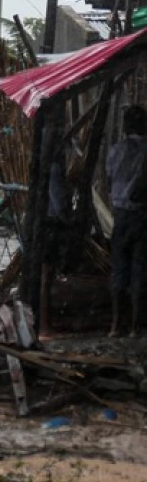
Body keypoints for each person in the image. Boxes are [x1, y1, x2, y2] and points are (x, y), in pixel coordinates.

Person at [106, 106, 147, 337]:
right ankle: (134, 326)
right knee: (139, 269)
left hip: (120, 214)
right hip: (141, 215)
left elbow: (110, 178)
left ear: (125, 126)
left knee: (119, 269)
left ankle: (114, 325)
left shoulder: (115, 150)